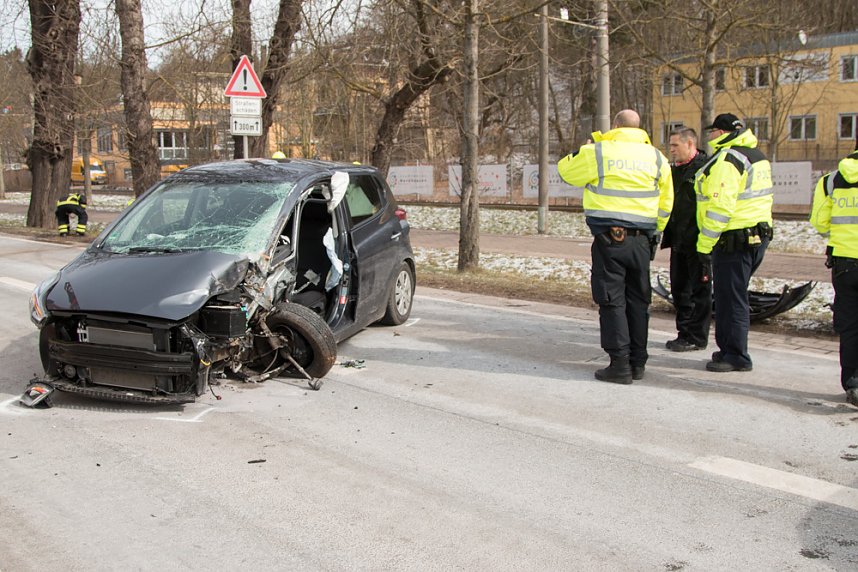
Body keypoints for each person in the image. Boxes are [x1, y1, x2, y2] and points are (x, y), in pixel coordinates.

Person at [558, 109, 673, 384]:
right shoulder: (657, 157)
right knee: (638, 301)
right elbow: (667, 202)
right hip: (643, 240)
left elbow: (565, 171)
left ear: (616, 126)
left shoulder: (600, 151)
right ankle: (638, 363)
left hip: (610, 239)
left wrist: (584, 148)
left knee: (612, 300)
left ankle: (619, 365)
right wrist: (655, 232)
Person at [695, 113, 773, 373]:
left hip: (733, 239)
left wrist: (704, 245)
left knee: (731, 299)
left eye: (713, 131)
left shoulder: (729, 159)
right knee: (733, 295)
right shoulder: (757, 156)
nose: (710, 136)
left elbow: (720, 207)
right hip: (755, 236)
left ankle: (737, 355)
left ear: (722, 132)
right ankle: (729, 348)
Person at [809, 150, 858, 407]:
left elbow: (820, 223)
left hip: (845, 263)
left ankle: (853, 383)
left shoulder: (831, 180)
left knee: (850, 327)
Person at [662, 127, 711, 352]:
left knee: (699, 291)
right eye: (670, 146)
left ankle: (697, 337)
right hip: (678, 239)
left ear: (690, 144)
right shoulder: (673, 171)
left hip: (698, 241)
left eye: (675, 146)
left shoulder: (705, 169)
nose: (671, 150)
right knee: (679, 288)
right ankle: (683, 333)